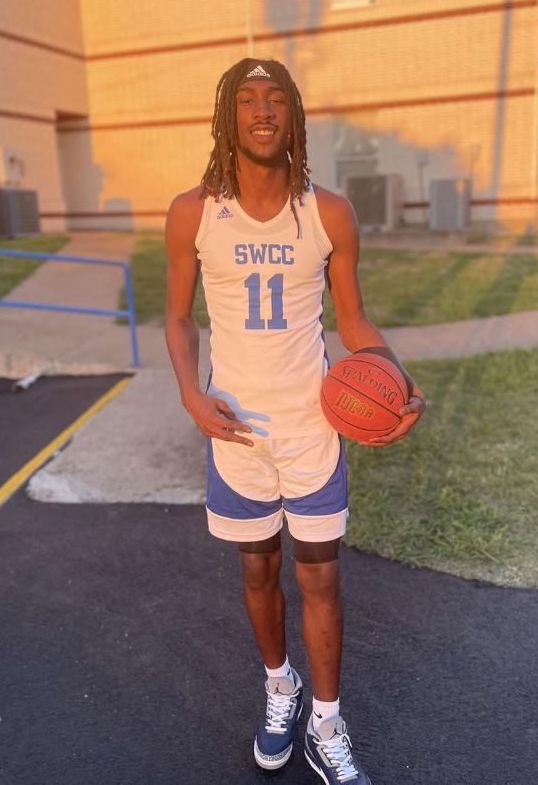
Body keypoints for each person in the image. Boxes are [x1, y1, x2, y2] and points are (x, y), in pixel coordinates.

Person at [165, 57, 425, 784]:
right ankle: (280, 688)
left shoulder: (326, 211)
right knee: (257, 571)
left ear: (293, 117)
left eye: (275, 99)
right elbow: (178, 319)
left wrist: (396, 382)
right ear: (227, 116)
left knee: (319, 579)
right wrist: (190, 392)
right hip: (235, 431)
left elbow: (353, 319)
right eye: (246, 99)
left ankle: (326, 723)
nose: (261, 111)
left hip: (312, 428)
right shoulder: (193, 210)